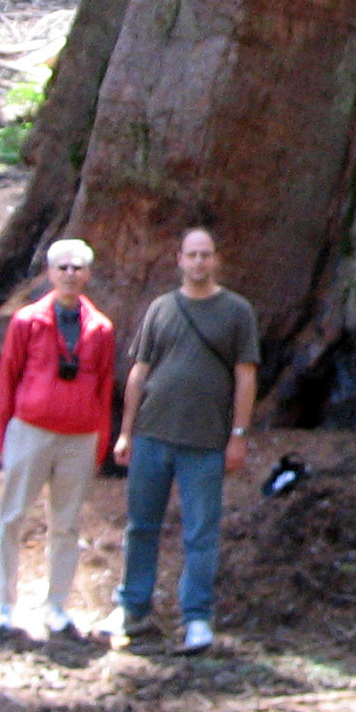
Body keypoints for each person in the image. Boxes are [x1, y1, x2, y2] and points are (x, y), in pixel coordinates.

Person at [110, 227, 259, 654]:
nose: (198, 262)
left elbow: (245, 376)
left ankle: (196, 618)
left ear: (216, 260)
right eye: (191, 255)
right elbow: (139, 372)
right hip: (153, 436)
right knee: (141, 526)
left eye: (205, 255)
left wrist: (238, 435)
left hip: (206, 441)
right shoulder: (161, 308)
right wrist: (126, 431)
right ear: (179, 260)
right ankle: (133, 608)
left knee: (200, 532)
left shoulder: (235, 311)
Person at [0, 238, 115, 643]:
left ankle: (56, 606)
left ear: (88, 275)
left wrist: (99, 440)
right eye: (62, 267)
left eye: (78, 267)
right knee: (11, 518)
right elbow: (7, 376)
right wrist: (0, 433)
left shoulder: (101, 328)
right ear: (49, 272)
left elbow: (104, 386)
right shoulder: (26, 321)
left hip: (78, 437)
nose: (69, 274)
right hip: (30, 430)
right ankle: (4, 606)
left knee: (66, 524)